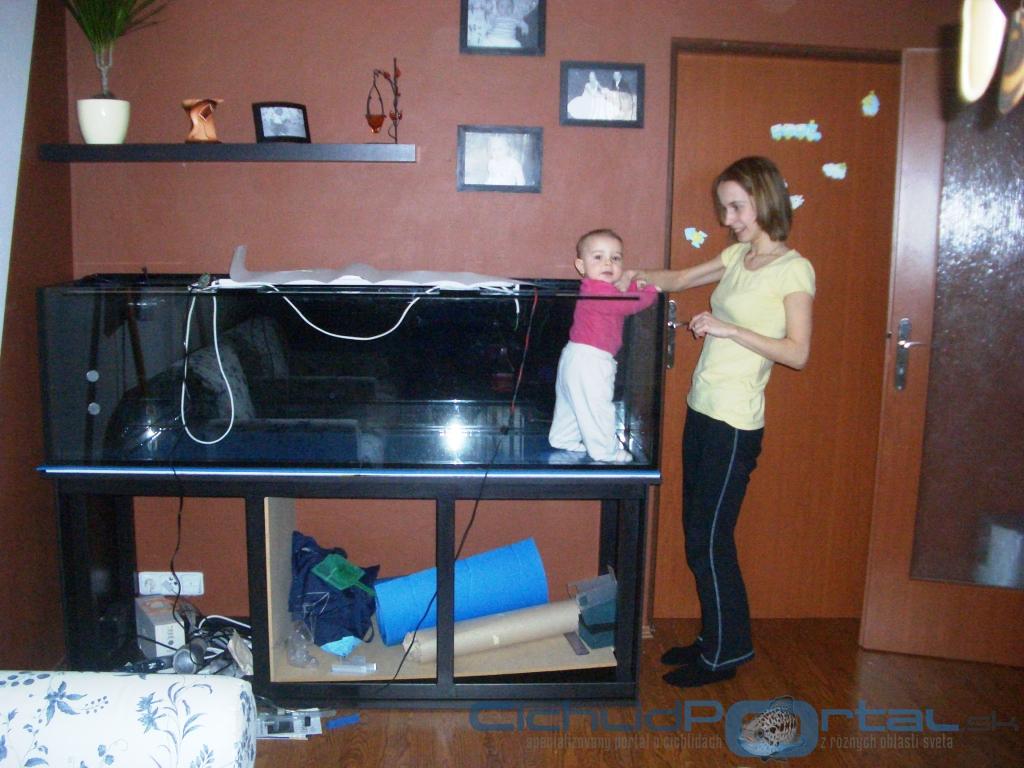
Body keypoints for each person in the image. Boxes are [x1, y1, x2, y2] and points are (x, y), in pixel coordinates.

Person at [622, 156, 815, 687]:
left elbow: (798, 352)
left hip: (735, 424)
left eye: (736, 207)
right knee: (697, 533)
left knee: (709, 539)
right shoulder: (737, 256)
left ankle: (726, 654)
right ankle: (718, 639)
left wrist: (730, 330)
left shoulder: (793, 269)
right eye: (725, 208)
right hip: (703, 409)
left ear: (764, 200)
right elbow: (681, 278)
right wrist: (631, 275)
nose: (728, 219)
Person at [548, 229, 658, 462]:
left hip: (575, 356)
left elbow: (620, 298)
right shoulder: (599, 291)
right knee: (597, 405)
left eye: (615, 258)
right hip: (592, 359)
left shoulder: (598, 289)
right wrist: (649, 291)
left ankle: (563, 437)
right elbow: (628, 304)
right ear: (581, 265)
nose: (608, 263)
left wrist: (632, 286)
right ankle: (604, 451)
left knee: (573, 402)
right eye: (598, 257)